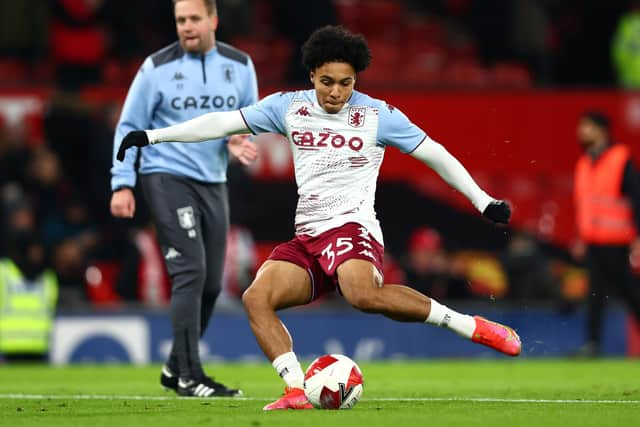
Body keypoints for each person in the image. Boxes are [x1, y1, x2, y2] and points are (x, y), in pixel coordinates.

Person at [117, 25, 521, 409]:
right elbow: (223, 122)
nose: (336, 92)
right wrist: (153, 137)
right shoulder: (287, 107)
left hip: (352, 226)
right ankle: (295, 388)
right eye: (327, 81)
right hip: (308, 236)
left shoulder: (379, 116)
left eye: (346, 83)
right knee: (256, 298)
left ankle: (470, 326)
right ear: (312, 75)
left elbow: (435, 154)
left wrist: (482, 201)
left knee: (362, 295)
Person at [110, 0, 258, 397]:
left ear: (213, 20)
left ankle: (175, 367)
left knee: (211, 284)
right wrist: (122, 183)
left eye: (194, 18)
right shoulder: (155, 68)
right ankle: (191, 375)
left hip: (214, 180)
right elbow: (129, 125)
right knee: (190, 272)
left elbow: (247, 119)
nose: (187, 26)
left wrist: (238, 141)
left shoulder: (241, 65)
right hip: (166, 176)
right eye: (180, 20)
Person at [572, 111, 640, 357]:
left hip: (618, 241)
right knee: (595, 295)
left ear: (602, 130)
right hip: (593, 241)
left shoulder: (621, 159)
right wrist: (580, 237)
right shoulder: (583, 162)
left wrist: (638, 238)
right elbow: (585, 205)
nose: (581, 132)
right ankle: (592, 344)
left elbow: (637, 199)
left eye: (586, 127)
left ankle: (593, 344)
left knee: (631, 294)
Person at [0, 229, 58, 362]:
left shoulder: (48, 277)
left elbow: (50, 307)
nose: (37, 254)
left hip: (39, 346)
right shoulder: (3, 272)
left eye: (39, 249)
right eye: (34, 249)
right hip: (7, 347)